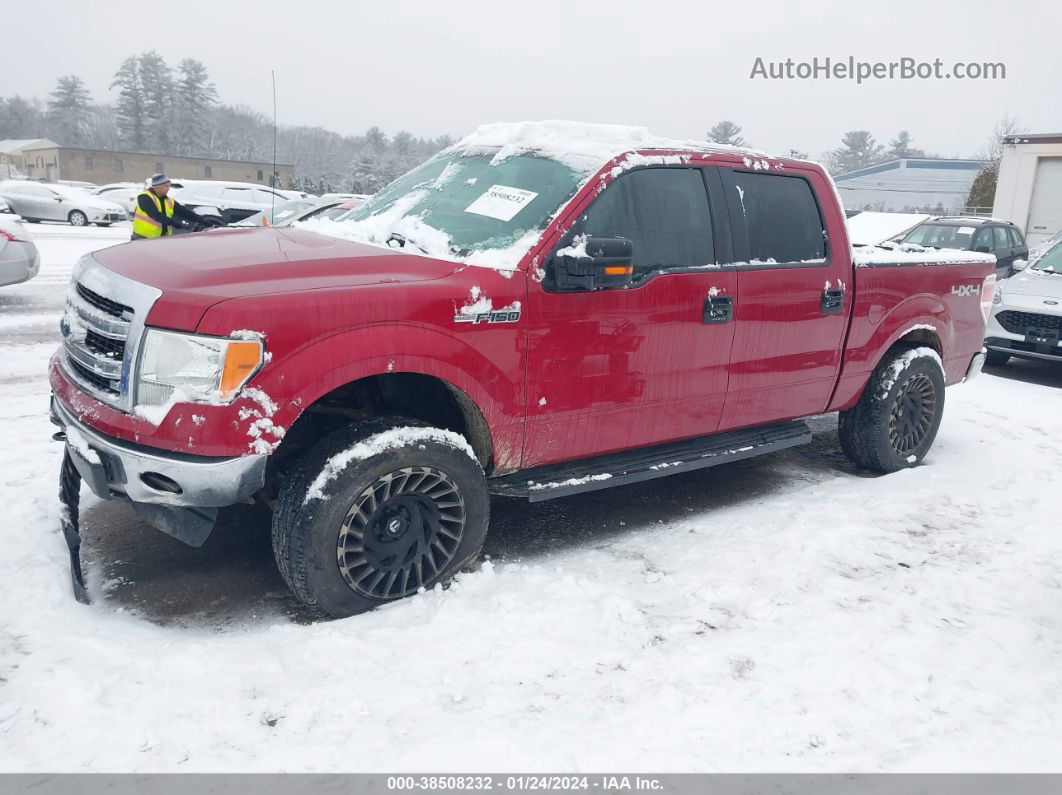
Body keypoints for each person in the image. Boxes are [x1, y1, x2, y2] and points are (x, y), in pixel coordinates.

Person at [130, 174, 210, 240]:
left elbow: (184, 212)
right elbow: (155, 214)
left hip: (161, 238)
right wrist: (173, 223)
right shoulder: (145, 197)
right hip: (142, 237)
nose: (168, 189)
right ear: (158, 187)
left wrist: (201, 220)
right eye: (166, 186)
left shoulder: (169, 200)